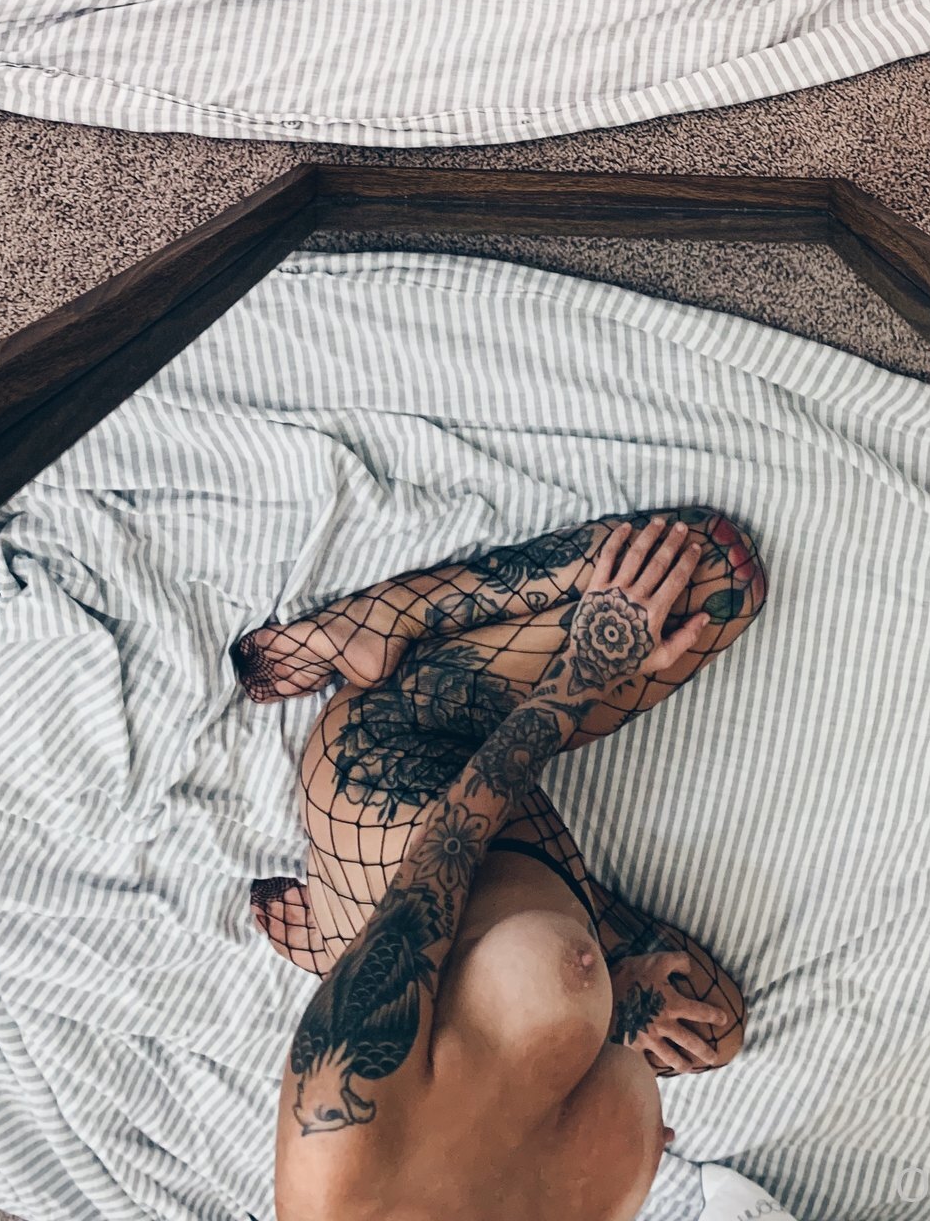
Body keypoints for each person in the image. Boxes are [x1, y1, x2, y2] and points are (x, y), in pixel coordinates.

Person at [233, 509, 769, 1219]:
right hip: (523, 901)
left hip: (399, 789)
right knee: (714, 1030)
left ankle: (383, 619)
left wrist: (586, 670)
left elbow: (449, 846)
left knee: (713, 574)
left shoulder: (339, 1126)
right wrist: (611, 1007)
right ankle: (342, 934)